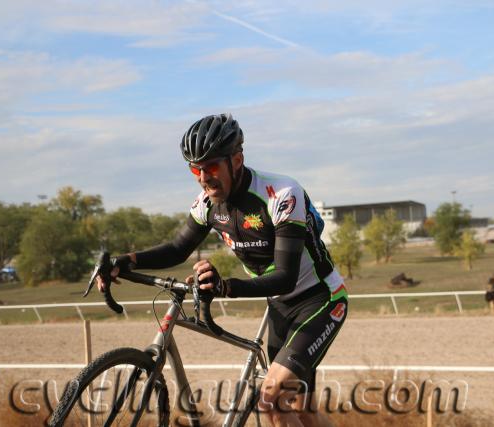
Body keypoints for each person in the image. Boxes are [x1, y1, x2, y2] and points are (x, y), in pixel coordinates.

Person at [97, 113, 347, 427]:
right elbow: (177, 248)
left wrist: (226, 287)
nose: (203, 177)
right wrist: (126, 261)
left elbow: (286, 276)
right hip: (279, 307)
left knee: (271, 402)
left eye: (211, 166)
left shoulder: (281, 194)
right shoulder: (208, 204)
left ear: (237, 160)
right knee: (300, 407)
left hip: (320, 300)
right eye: (195, 169)